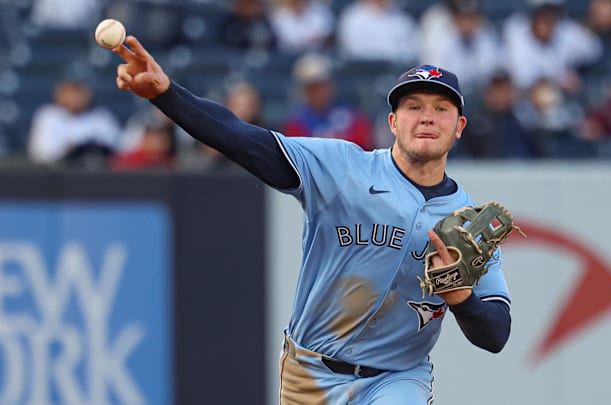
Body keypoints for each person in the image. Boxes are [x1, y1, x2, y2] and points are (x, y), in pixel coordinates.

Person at [113, 36, 512, 404]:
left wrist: (462, 299)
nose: (427, 117)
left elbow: (497, 333)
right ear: (393, 122)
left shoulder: (466, 222)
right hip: (311, 374)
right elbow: (239, 138)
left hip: (398, 377)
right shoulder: (342, 169)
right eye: (414, 106)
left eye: (441, 109)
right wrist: (167, 95)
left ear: (459, 127)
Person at [281, 53, 375, 150]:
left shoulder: (352, 116)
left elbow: (363, 150)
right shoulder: (296, 123)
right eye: (312, 88)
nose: (318, 93)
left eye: (321, 86)